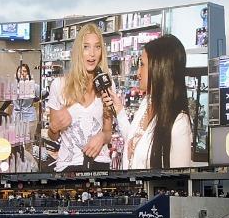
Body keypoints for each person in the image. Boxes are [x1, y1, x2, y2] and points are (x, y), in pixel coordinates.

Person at [109, 34, 193, 170]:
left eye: (142, 65)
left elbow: (180, 179)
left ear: (160, 68)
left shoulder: (179, 123)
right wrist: (119, 110)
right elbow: (134, 140)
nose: (138, 73)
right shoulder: (147, 103)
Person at [45, 24, 114, 172]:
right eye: (86, 47)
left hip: (100, 165)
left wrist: (102, 137)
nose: (92, 54)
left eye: (97, 47)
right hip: (68, 168)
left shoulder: (107, 84)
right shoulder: (59, 86)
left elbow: (108, 132)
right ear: (78, 51)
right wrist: (54, 126)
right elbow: (53, 136)